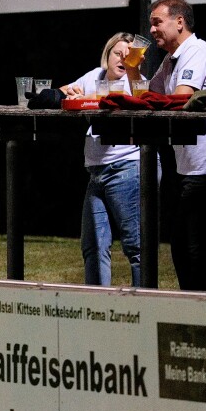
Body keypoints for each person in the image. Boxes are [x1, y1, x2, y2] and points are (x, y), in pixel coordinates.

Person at [149, 0, 206, 291]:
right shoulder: (171, 57)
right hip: (187, 165)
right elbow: (148, 94)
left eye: (157, 22)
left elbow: (180, 98)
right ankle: (197, 306)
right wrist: (134, 69)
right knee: (186, 245)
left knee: (196, 248)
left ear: (179, 22)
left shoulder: (196, 50)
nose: (152, 30)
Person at [61, 33, 143, 287]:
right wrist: (70, 91)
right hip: (96, 172)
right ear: (107, 55)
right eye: (118, 53)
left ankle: (145, 303)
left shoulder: (136, 81)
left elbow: (143, 100)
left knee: (136, 246)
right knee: (93, 245)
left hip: (127, 167)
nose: (123, 59)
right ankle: (98, 307)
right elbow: (65, 91)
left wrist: (133, 71)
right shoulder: (94, 77)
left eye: (129, 55)